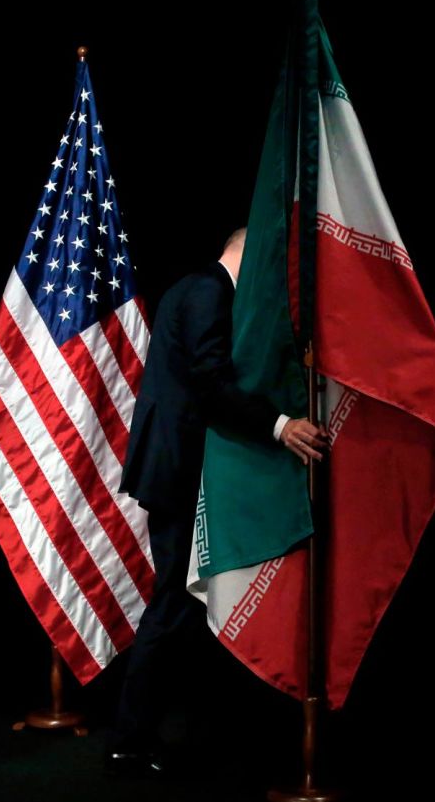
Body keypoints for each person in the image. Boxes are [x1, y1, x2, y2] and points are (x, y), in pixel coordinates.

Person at [108, 227, 328, 774]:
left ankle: (148, 734)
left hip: (177, 468)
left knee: (178, 606)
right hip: (179, 471)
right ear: (246, 255)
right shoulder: (209, 291)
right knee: (172, 604)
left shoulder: (195, 289)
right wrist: (280, 426)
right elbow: (211, 382)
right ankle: (129, 741)